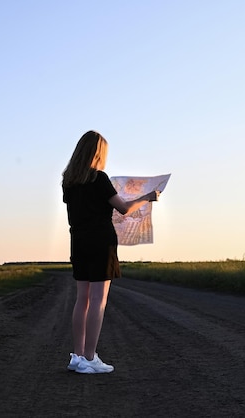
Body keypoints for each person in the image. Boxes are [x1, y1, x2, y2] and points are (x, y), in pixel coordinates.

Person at [62, 130, 159, 374]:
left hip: (78, 241)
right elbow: (124, 208)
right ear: (98, 153)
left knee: (82, 299)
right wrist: (147, 197)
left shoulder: (69, 181)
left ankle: (77, 356)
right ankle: (90, 357)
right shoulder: (99, 178)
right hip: (100, 242)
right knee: (98, 300)